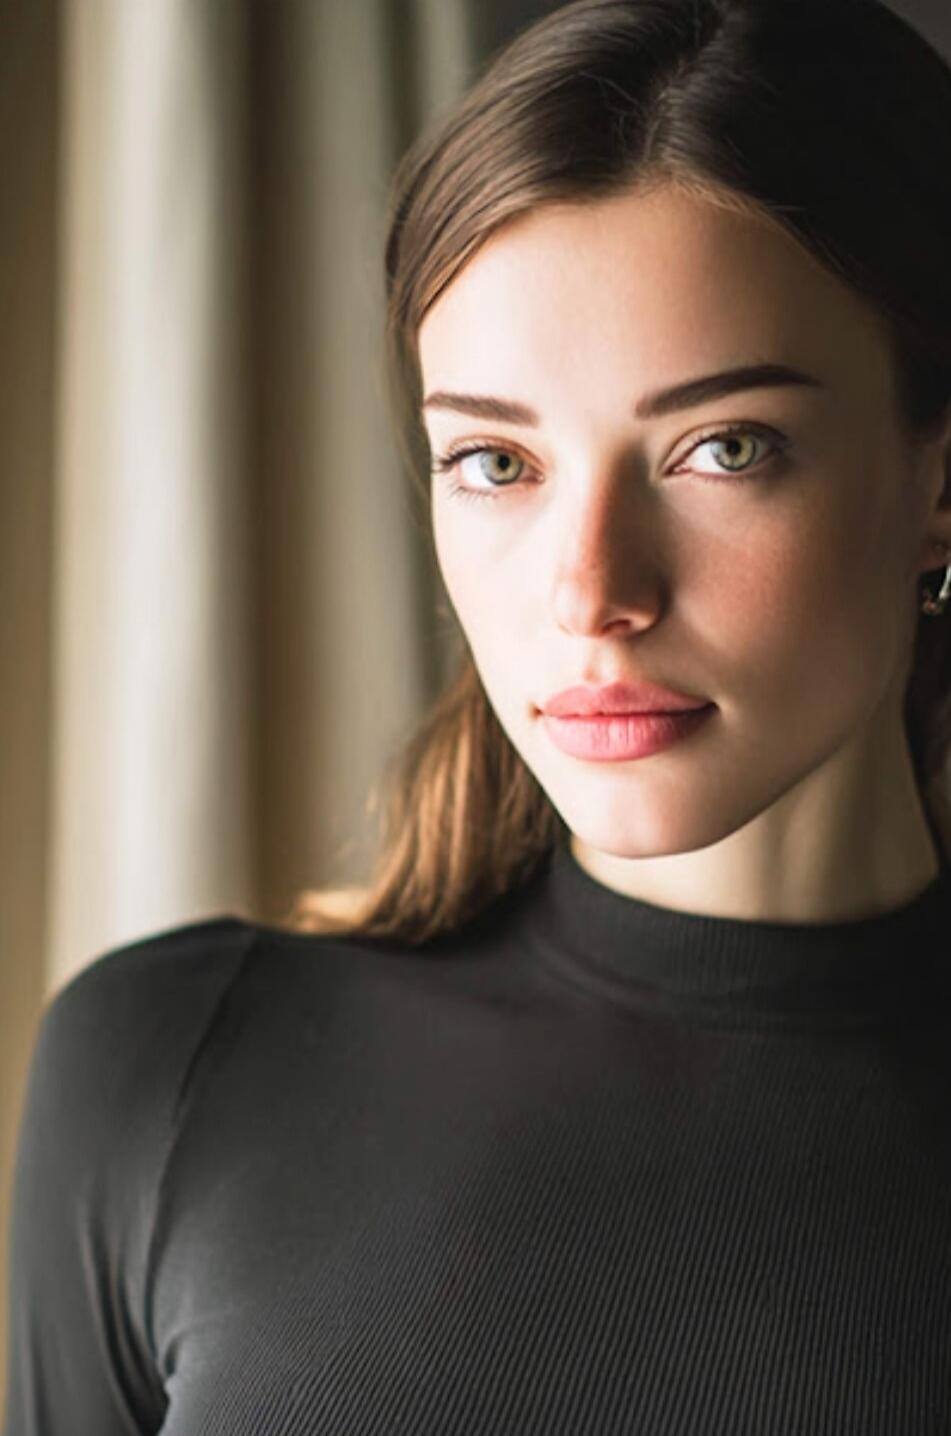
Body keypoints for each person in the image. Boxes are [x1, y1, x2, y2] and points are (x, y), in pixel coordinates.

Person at [5, 0, 951, 1430]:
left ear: (939, 483)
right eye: (498, 462)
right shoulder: (165, 1071)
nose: (590, 591)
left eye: (722, 447)